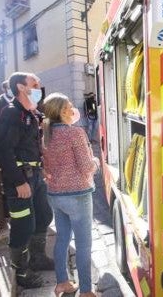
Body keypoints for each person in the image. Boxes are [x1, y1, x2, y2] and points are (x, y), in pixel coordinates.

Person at [0, 72, 54, 289]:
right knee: (23, 225)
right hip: (19, 180)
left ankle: (37, 258)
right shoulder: (11, 113)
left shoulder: (32, 114)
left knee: (45, 215)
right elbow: (1, 151)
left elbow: (31, 147)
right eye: (34, 84)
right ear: (20, 87)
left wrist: (43, 168)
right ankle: (22, 272)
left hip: (35, 176)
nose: (39, 87)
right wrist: (19, 182)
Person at [41, 93, 99, 297]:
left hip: (55, 195)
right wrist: (97, 163)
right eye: (70, 106)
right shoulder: (75, 133)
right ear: (63, 111)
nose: (73, 108)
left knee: (63, 238)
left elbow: (46, 167)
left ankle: (62, 283)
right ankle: (85, 291)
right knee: (84, 243)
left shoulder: (46, 135)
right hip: (77, 195)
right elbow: (86, 167)